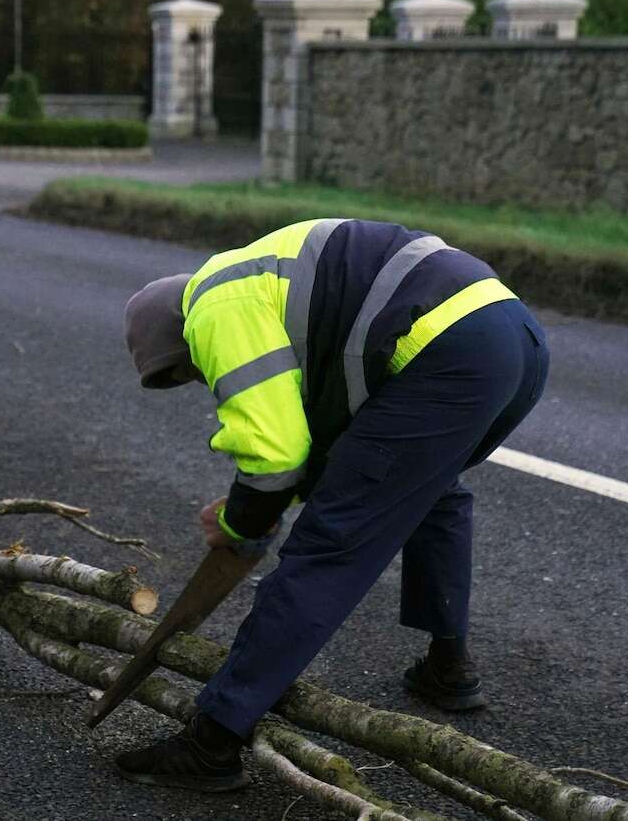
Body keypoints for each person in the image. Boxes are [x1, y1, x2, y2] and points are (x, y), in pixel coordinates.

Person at [115, 218, 549, 792]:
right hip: (514, 335)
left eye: (186, 368)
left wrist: (241, 524)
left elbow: (273, 454)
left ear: (180, 331)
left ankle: (212, 742)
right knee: (433, 493)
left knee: (329, 545)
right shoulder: (272, 287)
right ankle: (449, 668)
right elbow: (326, 450)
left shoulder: (215, 303)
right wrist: (262, 502)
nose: (198, 377)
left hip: (446, 352)